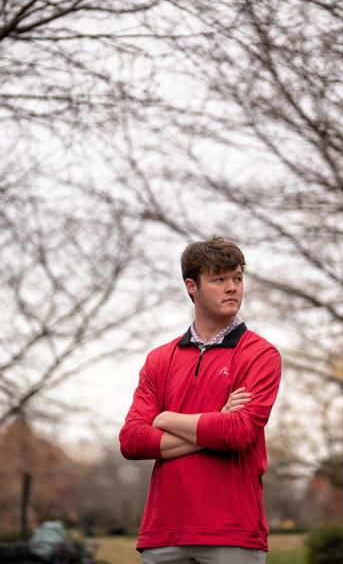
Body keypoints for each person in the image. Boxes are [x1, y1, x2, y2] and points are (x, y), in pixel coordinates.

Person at [119, 237, 282, 564]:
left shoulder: (260, 354)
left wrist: (165, 419)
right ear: (191, 286)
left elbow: (237, 433)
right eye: (219, 279)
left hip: (233, 532)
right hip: (163, 532)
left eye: (237, 278)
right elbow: (132, 440)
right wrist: (214, 421)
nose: (233, 287)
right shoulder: (159, 359)